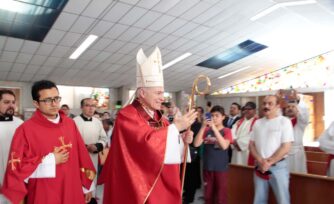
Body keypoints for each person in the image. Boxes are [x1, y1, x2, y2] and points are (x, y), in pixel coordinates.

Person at [98, 47, 197, 204]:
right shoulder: (127, 115)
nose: (162, 98)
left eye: (162, 93)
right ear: (142, 93)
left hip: (161, 184)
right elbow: (144, 145)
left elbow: (165, 146)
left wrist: (181, 140)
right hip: (138, 186)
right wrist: (176, 128)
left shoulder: (162, 119)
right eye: (158, 93)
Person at [1, 80, 95, 204]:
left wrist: (86, 186)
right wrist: (49, 161)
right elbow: (16, 168)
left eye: (56, 98)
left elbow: (82, 155)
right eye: (47, 100)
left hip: (72, 187)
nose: (54, 104)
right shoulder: (25, 129)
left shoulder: (70, 124)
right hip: (44, 191)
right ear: (36, 103)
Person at [249, 95, 294, 204]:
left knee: (283, 200)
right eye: (264, 103)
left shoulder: (284, 121)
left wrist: (269, 162)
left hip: (278, 167)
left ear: (278, 106)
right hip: (260, 167)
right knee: (259, 200)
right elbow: (251, 145)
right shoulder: (258, 123)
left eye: (270, 103)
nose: (266, 106)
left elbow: (286, 147)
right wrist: (260, 161)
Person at [194, 105, 232, 204]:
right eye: (212, 115)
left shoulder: (227, 131)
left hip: (221, 168)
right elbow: (196, 143)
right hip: (207, 168)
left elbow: (224, 146)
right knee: (208, 196)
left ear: (223, 117)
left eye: (217, 115)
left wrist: (214, 129)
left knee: (221, 197)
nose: (214, 118)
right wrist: (203, 127)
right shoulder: (206, 130)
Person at [74, 98, 108, 201]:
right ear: (81, 107)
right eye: (87, 105)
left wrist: (97, 146)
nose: (91, 108)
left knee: (91, 180)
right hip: (77, 158)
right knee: (78, 182)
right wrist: (85, 147)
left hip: (93, 157)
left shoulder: (97, 122)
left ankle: (91, 198)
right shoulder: (73, 121)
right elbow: (69, 140)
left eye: (93, 106)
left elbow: (103, 138)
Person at [0, 90, 23, 203]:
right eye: (6, 102)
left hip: (16, 179)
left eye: (13, 102)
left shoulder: (20, 124)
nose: (11, 105)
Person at [183, 106, 204, 204]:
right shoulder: (185, 124)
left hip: (192, 154)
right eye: (187, 111)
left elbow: (196, 140)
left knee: (191, 176)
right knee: (185, 175)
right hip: (183, 152)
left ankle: (190, 197)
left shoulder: (198, 125)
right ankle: (185, 193)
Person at [284, 95, 309, 173]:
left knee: (298, 174)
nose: (290, 108)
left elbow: (304, 114)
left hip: (297, 153)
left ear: (298, 109)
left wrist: (298, 99)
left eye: (293, 107)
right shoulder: (282, 121)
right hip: (283, 152)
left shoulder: (301, 122)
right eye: (288, 107)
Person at [231, 101, 258, 166]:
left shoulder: (257, 123)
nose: (246, 111)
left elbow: (251, 137)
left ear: (254, 110)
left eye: (249, 109)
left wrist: (238, 144)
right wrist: (234, 141)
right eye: (245, 109)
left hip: (247, 152)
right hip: (236, 150)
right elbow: (232, 131)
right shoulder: (239, 121)